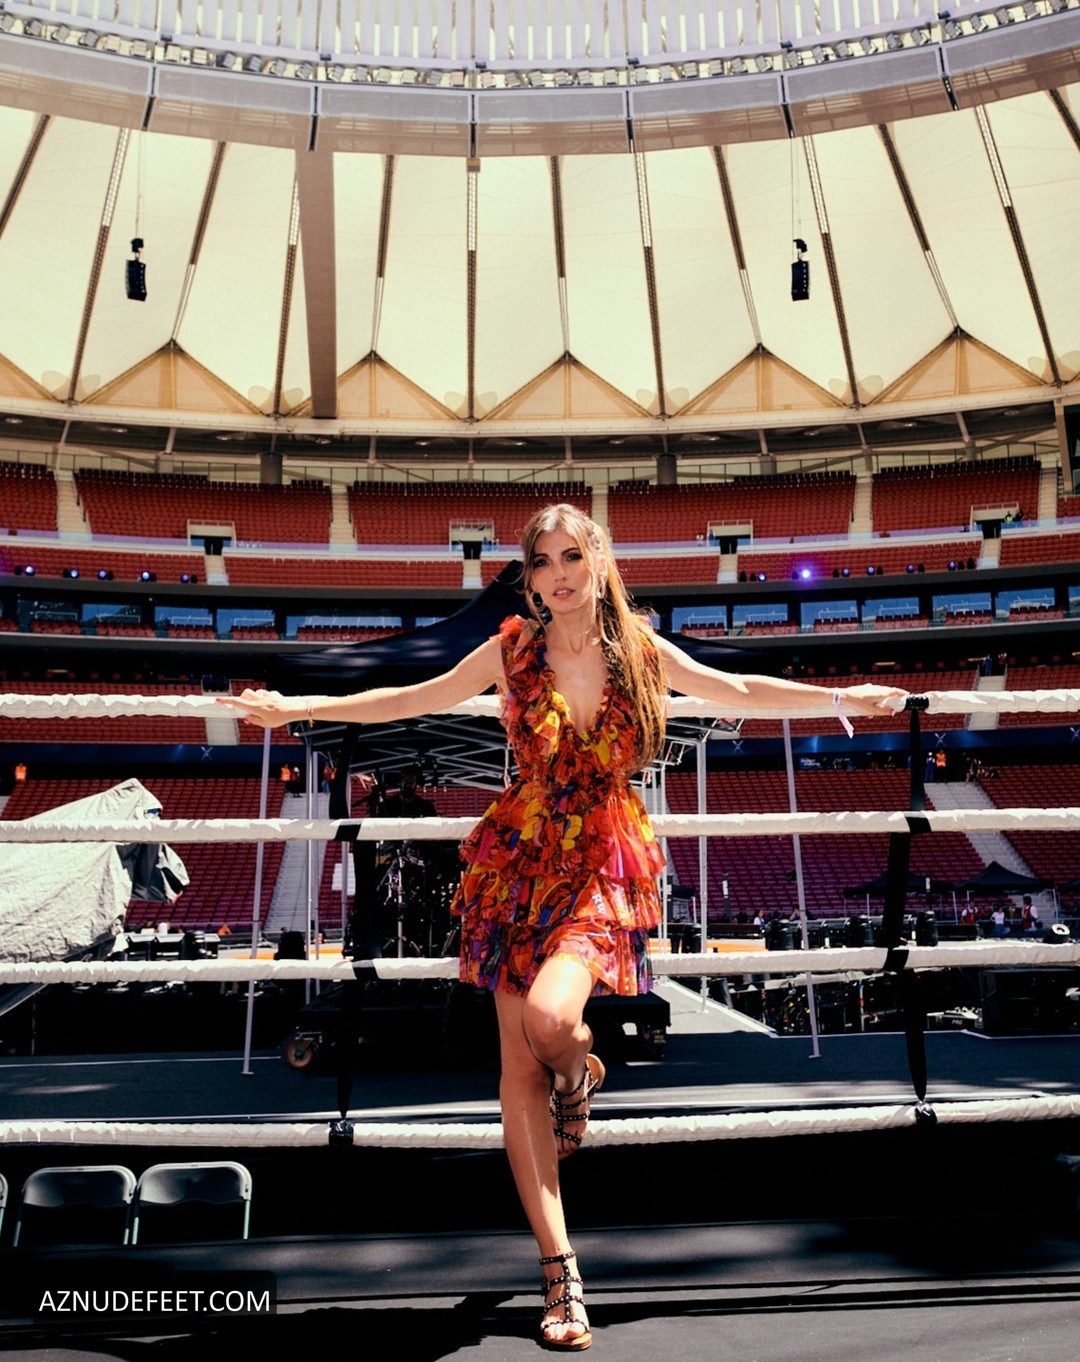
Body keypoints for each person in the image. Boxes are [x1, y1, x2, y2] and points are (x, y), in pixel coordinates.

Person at [221, 503, 906, 1352]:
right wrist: (296, 708)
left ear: (600, 560)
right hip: (517, 861)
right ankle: (560, 1272)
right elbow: (412, 697)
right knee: (516, 1072)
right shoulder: (510, 650)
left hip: (602, 860)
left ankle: (579, 1073)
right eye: (542, 562)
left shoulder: (640, 653)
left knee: (551, 1023)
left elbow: (736, 691)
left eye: (571, 556)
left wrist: (840, 696)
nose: (558, 575)